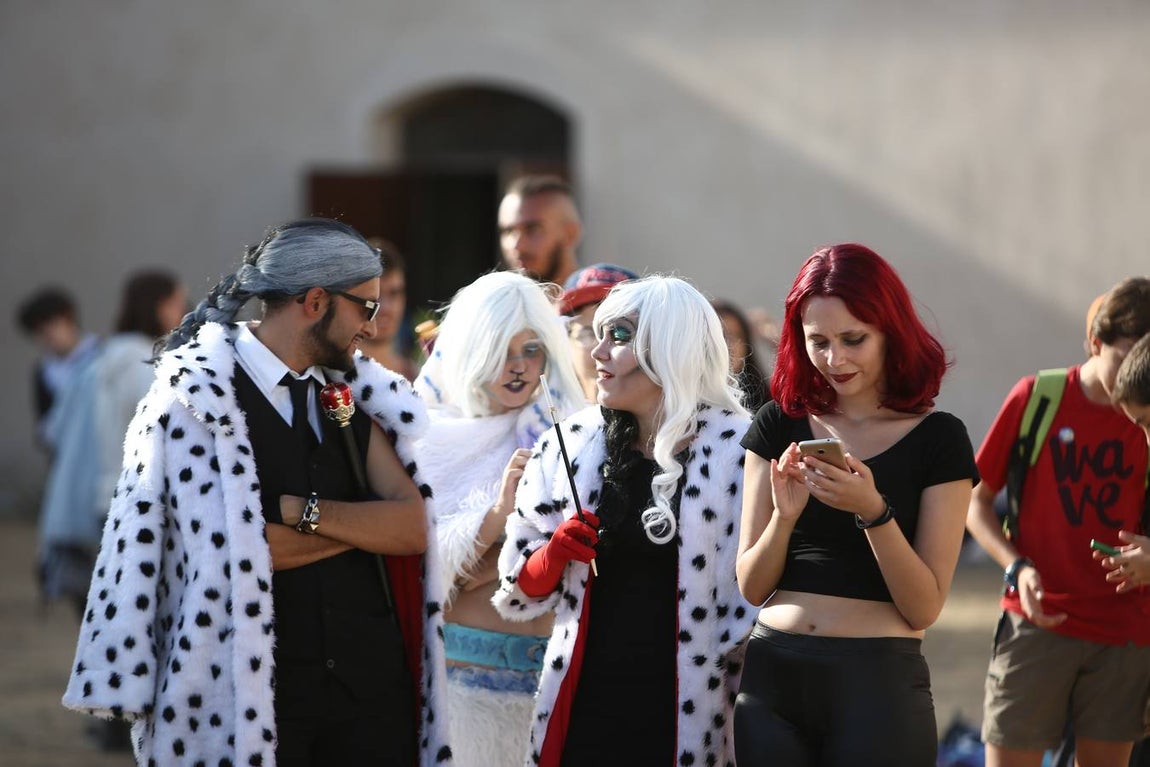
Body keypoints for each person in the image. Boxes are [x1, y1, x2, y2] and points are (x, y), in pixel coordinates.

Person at [63, 218, 452, 766]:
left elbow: (412, 529)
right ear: (315, 301)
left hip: (370, 700)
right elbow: (237, 555)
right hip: (248, 706)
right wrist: (365, 528)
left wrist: (304, 514)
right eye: (364, 306)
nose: (373, 324)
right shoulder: (193, 403)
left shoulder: (358, 393)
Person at [734, 243, 979, 767]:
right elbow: (753, 586)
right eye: (817, 341)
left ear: (890, 330)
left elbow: (924, 606)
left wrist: (873, 510)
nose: (835, 359)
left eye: (853, 339)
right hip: (772, 680)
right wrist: (785, 516)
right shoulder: (779, 424)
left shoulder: (940, 439)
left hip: (877, 682)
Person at [494, 275, 755, 767]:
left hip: (688, 715)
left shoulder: (739, 452)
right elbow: (518, 587)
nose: (596, 352)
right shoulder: (569, 443)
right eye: (597, 334)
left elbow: (753, 610)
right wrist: (552, 556)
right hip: (583, 707)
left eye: (618, 336)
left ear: (669, 346)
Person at [965, 277, 1150, 767]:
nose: (1130, 375)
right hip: (1035, 622)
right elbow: (976, 502)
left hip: (1126, 633)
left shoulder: (1147, 416)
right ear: (1095, 341)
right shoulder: (1039, 397)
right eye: (1123, 357)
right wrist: (1016, 567)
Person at [413, 270, 584, 767]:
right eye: (501, 351)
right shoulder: (428, 439)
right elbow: (424, 581)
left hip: (555, 685)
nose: (518, 367)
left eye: (531, 350)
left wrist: (495, 564)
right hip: (462, 692)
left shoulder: (572, 431)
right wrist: (497, 516)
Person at [16, 287, 101, 440]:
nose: (49, 337)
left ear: (69, 318)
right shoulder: (44, 372)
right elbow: (44, 425)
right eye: (41, 333)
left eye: (53, 327)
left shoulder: (103, 354)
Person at [557, 263, 638, 402]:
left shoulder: (678, 419)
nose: (599, 351)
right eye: (589, 334)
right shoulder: (541, 419)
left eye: (619, 335)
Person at [498, 175, 582, 285]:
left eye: (533, 230)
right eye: (509, 231)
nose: (517, 245)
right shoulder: (492, 301)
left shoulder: (605, 300)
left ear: (570, 233)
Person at [358, 238, 421, 381]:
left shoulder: (418, 379)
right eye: (375, 296)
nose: (385, 308)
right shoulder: (332, 382)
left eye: (394, 293)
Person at [712, 298, 771, 413]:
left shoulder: (767, 406)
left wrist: (777, 342)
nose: (729, 345)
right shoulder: (684, 404)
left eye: (736, 336)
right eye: (721, 335)